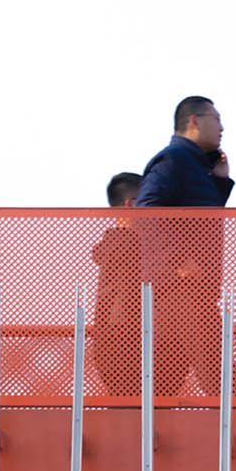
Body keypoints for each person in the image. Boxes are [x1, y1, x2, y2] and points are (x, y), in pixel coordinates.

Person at [133, 98, 232, 402]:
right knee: (221, 380)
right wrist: (179, 261)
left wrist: (220, 182)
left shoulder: (195, 165)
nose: (222, 127)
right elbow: (146, 210)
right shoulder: (174, 159)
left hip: (189, 289)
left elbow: (199, 217)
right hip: (181, 290)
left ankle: (140, 438)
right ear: (194, 121)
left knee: (163, 383)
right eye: (216, 119)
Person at [90, 171, 142, 401]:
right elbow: (127, 296)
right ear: (130, 205)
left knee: (124, 414)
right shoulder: (130, 244)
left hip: (109, 343)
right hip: (126, 343)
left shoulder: (111, 245)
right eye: (147, 202)